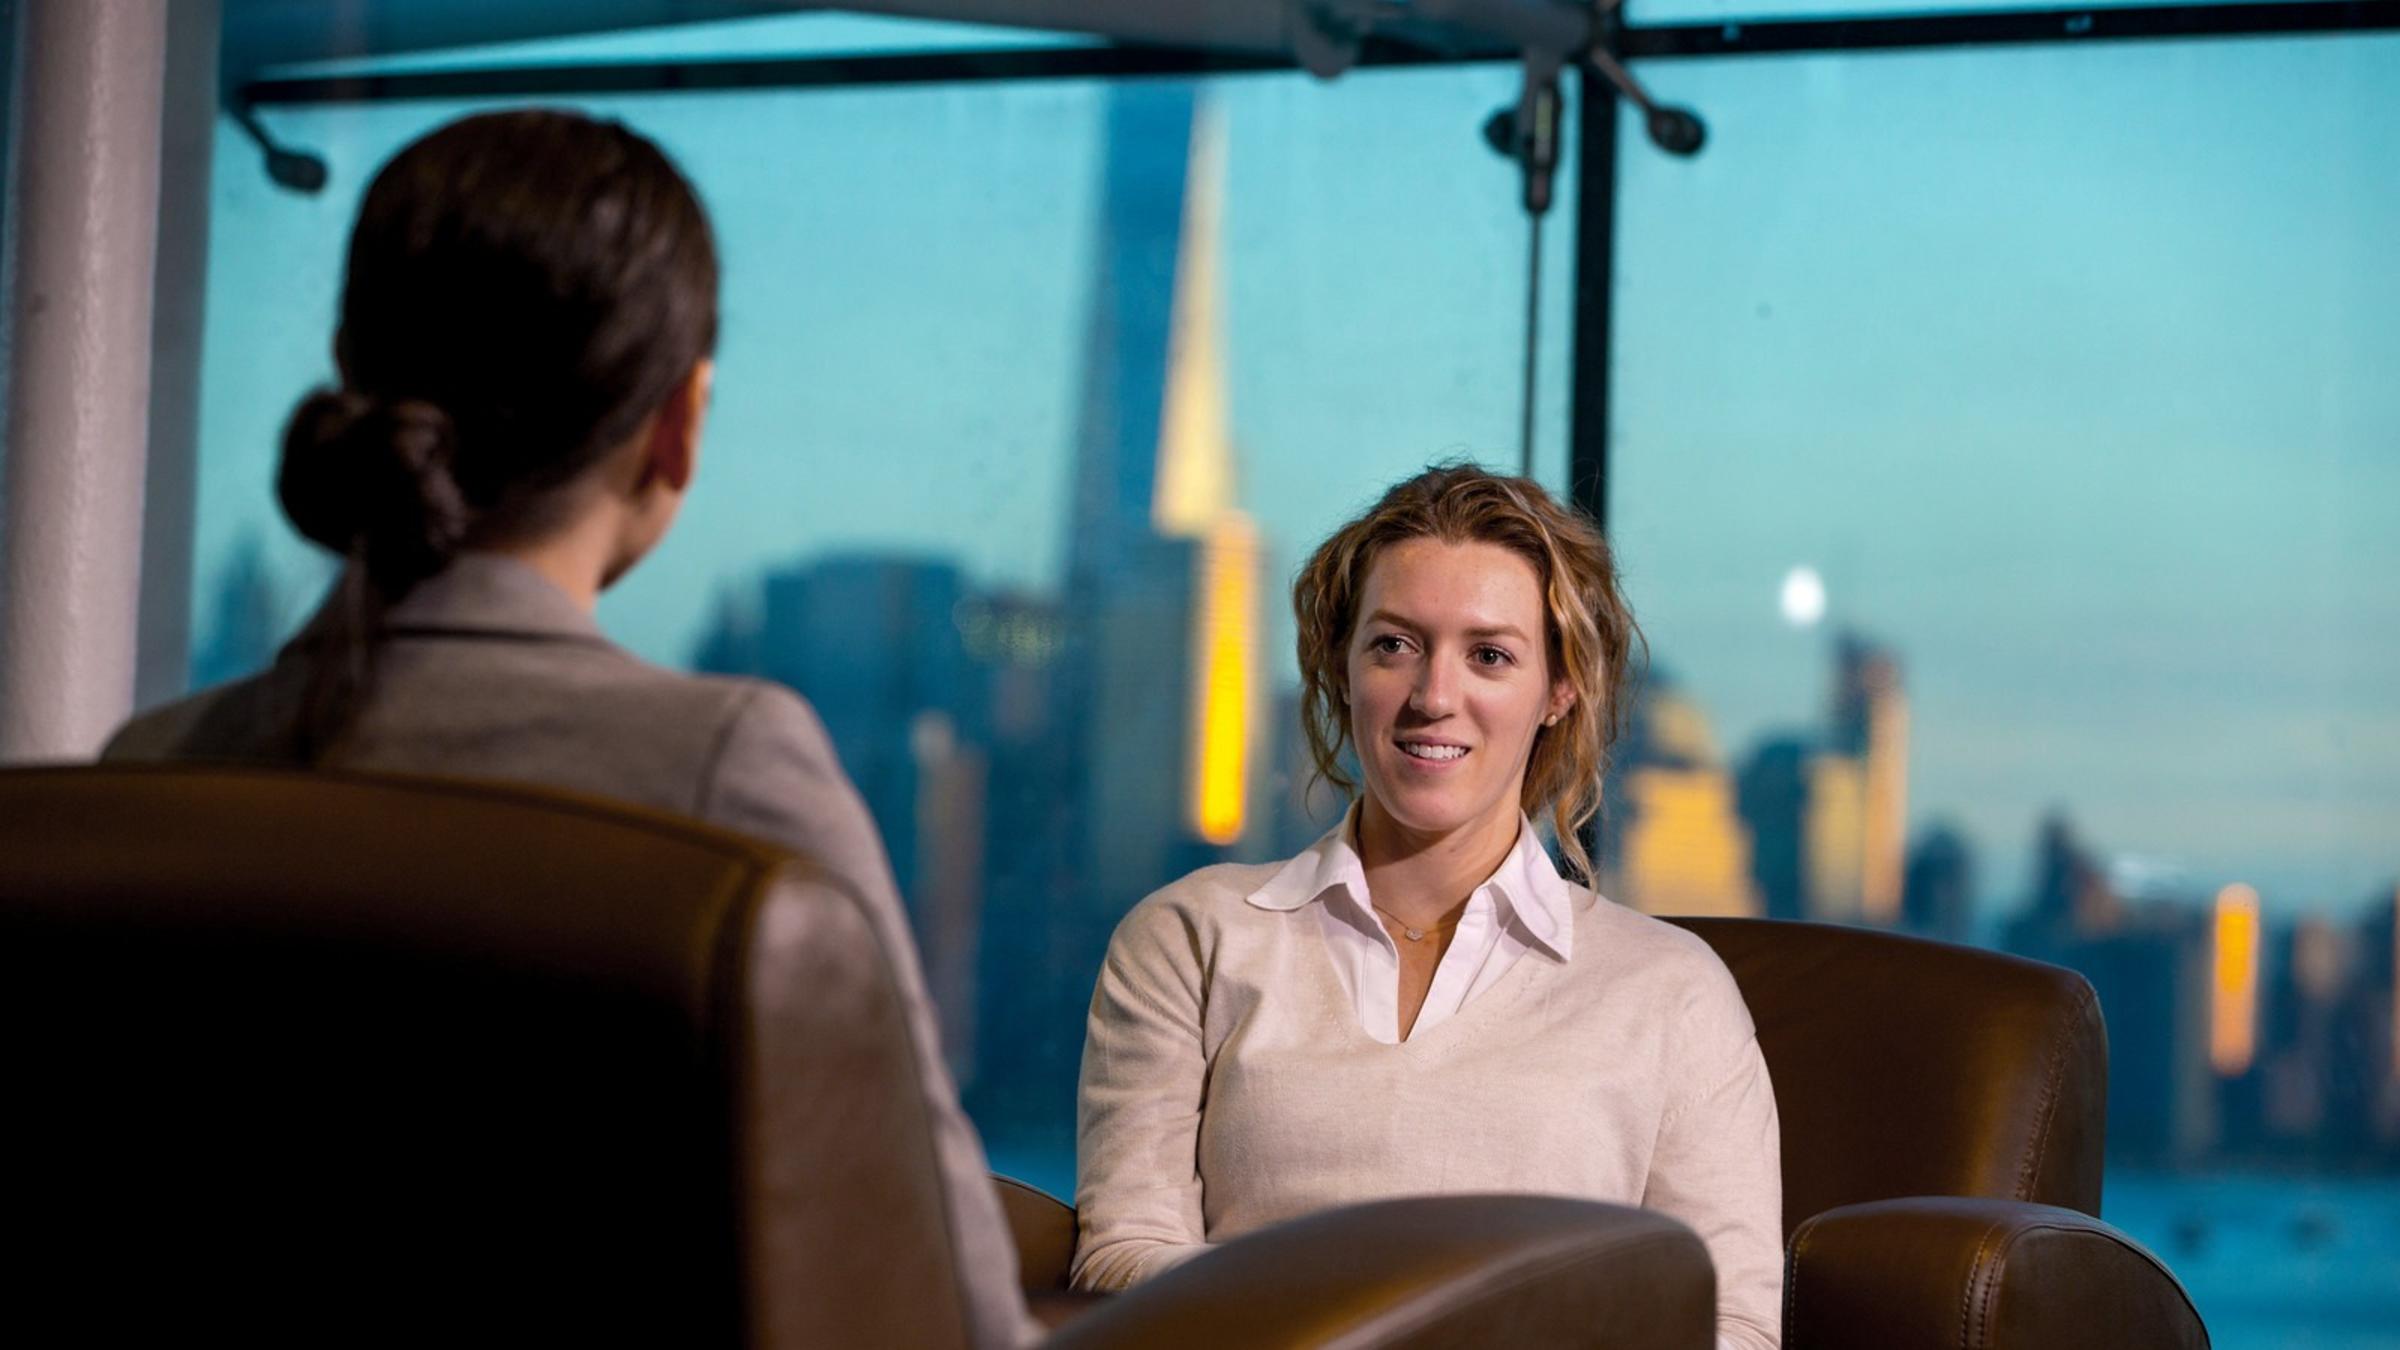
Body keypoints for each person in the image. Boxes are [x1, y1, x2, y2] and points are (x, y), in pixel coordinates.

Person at [103, 109, 1030, 1349]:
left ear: (349, 368)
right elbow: (951, 1307)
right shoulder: (728, 773)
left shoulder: (146, 779)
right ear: (678, 427)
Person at [1071, 464, 1783, 1348]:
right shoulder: (1192, 936)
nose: (1433, 697)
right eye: (1395, 645)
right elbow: (1124, 1256)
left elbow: (1733, 1327)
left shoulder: (1674, 993)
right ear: (1342, 663)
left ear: (1559, 690)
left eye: (1489, 655)